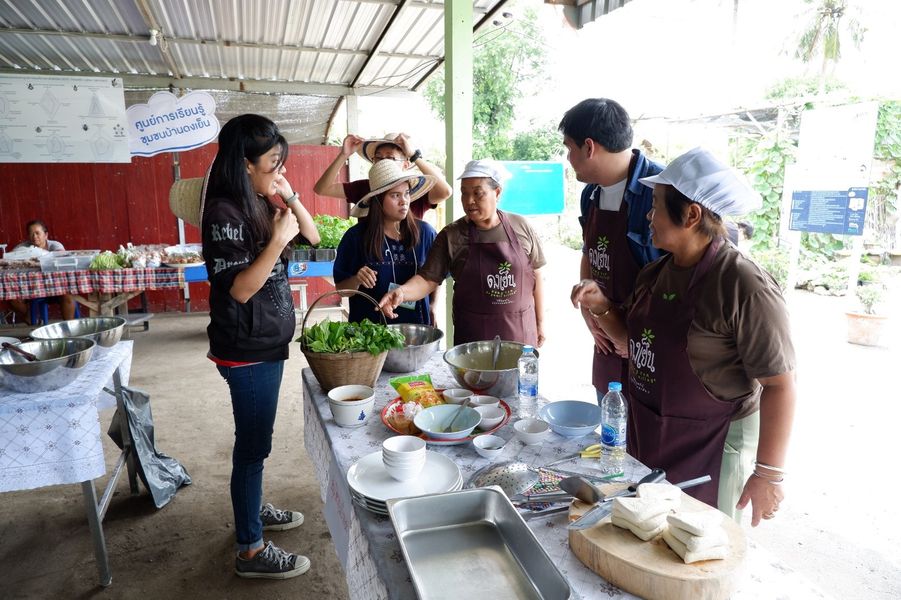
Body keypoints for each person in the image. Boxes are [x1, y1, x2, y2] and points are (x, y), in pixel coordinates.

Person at [570, 147, 796, 527]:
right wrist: (601, 306)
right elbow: (632, 344)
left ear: (691, 215)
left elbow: (780, 384)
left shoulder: (743, 284)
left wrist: (768, 474)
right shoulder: (655, 274)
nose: (648, 215)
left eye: (656, 206)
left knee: (701, 541)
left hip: (712, 445)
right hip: (650, 431)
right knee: (648, 532)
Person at [201, 114, 319, 579]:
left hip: (265, 342)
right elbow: (241, 289)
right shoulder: (224, 213)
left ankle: (252, 510)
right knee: (252, 447)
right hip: (245, 349)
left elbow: (312, 236)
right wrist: (276, 240)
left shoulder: (256, 197)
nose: (279, 169)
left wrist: (289, 194)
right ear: (245, 164)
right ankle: (250, 551)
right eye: (273, 163)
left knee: (257, 445)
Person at [559, 99, 666, 405]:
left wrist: (631, 336)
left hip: (650, 344)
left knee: (645, 427)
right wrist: (589, 310)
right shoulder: (590, 194)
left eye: (569, 148)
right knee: (610, 420)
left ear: (589, 147)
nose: (568, 158)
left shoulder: (660, 190)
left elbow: (683, 276)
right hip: (605, 337)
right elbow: (589, 252)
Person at [379, 159, 546, 347]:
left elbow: (537, 274)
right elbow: (427, 280)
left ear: (497, 192)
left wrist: (540, 323)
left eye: (477, 193)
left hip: (520, 335)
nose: (469, 201)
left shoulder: (521, 226)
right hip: (473, 340)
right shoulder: (452, 235)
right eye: (464, 193)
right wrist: (401, 292)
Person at [333, 160, 438, 325]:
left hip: (416, 327)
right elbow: (342, 289)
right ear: (378, 200)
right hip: (369, 330)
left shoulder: (425, 233)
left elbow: (436, 274)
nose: (404, 201)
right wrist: (357, 279)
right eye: (395, 195)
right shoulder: (355, 237)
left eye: (406, 193)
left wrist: (433, 305)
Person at [313, 133, 452, 218]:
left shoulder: (415, 191)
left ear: (405, 165)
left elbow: (445, 192)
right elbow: (321, 189)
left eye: (390, 158)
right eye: (378, 157)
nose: (383, 161)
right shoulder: (364, 188)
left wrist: (414, 156)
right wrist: (344, 155)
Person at [9, 220, 77, 323]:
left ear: (46, 235)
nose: (34, 237)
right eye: (31, 234)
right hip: (31, 288)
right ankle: (30, 317)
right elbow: (9, 258)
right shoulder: (23, 247)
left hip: (55, 287)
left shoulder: (55, 245)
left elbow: (61, 257)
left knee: (68, 295)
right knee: (12, 298)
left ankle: (69, 326)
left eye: (37, 233)